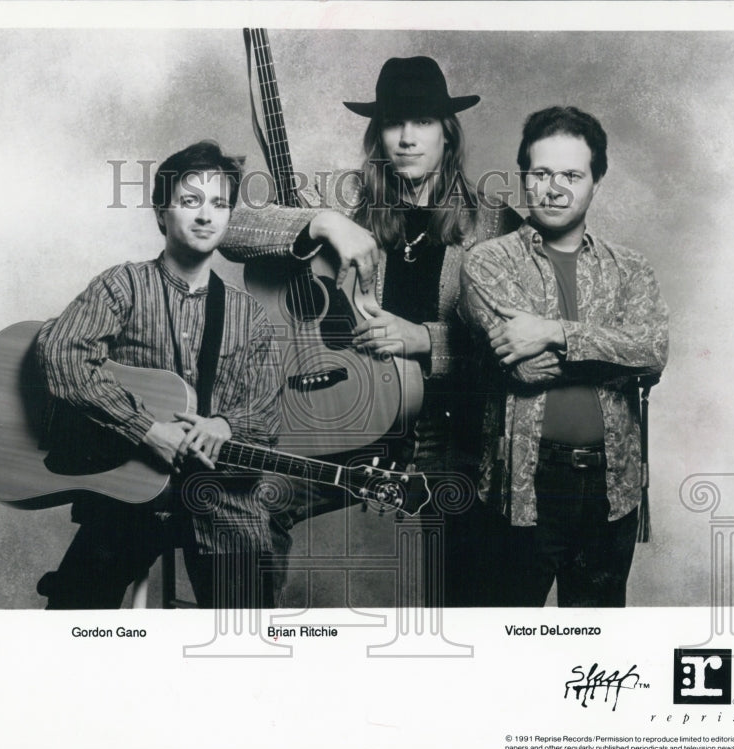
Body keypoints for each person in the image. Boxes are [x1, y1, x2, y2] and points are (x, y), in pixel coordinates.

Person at [221, 56, 522, 606]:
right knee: (248, 504)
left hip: (451, 444)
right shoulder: (351, 214)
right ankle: (252, 657)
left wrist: (426, 340)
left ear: (447, 136)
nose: (407, 137)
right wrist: (321, 223)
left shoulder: (496, 225)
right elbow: (230, 227)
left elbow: (519, 350)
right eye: (393, 122)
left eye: (423, 122)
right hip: (353, 434)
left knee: (469, 597)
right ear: (377, 135)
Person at [35, 141, 285, 609]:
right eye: (191, 201)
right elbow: (62, 356)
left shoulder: (249, 315)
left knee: (251, 642)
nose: (206, 216)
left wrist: (225, 425)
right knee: (74, 616)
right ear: (160, 213)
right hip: (127, 493)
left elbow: (266, 415)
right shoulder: (122, 285)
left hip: (222, 501)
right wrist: (144, 428)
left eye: (219, 204)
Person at [459, 106, 669, 607]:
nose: (554, 188)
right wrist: (609, 348)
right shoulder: (488, 261)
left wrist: (552, 330)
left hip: (612, 485)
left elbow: (653, 352)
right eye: (541, 173)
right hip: (526, 484)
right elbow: (523, 364)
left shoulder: (631, 269)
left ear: (597, 181)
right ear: (523, 178)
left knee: (594, 643)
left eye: (572, 175)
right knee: (507, 638)